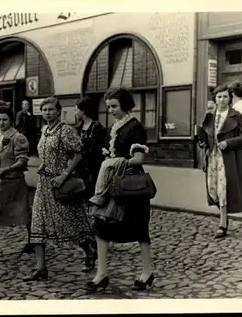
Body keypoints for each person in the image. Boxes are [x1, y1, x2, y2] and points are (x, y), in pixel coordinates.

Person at [86, 88, 154, 292]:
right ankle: (101, 273)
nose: (111, 110)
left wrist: (113, 163)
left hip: (131, 186)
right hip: (113, 184)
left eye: (114, 106)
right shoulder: (114, 127)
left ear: (125, 105)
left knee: (140, 229)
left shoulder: (135, 128)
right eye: (108, 107)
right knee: (101, 224)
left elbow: (139, 159)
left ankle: (147, 271)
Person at [23, 97, 96, 281]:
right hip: (43, 183)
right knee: (37, 222)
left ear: (58, 111)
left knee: (70, 221)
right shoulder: (44, 130)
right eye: (44, 110)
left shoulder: (66, 130)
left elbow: (78, 155)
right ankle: (41, 268)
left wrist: (64, 174)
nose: (47, 113)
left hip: (60, 183)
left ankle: (89, 251)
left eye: (50, 109)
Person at [198, 84, 242, 239]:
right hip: (212, 158)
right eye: (219, 97)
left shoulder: (236, 115)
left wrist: (228, 143)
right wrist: (203, 143)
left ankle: (223, 224)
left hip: (227, 159)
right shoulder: (210, 115)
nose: (222, 100)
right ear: (215, 99)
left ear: (230, 98)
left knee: (222, 190)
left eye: (225, 96)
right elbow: (206, 136)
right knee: (213, 190)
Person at [0, 105, 33, 257]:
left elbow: (22, 161)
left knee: (24, 212)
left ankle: (33, 241)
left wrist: (8, 169)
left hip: (15, 181)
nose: (1, 123)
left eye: (5, 120)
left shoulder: (18, 137)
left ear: (11, 120)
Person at [74, 96, 107, 200]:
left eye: (76, 110)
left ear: (83, 111)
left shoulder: (97, 127)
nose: (75, 112)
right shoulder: (78, 128)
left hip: (93, 169)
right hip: (80, 168)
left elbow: (100, 150)